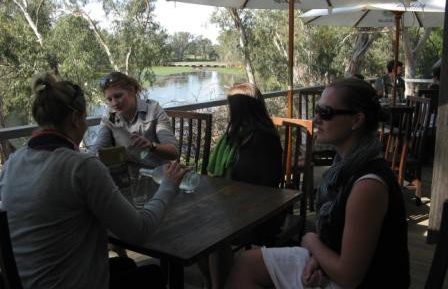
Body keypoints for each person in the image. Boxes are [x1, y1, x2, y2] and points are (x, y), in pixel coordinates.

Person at [0, 73, 189, 289]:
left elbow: (171, 150)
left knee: (125, 264)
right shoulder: (81, 167)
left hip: (24, 282)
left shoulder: (11, 163)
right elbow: (139, 231)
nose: (114, 103)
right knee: (153, 274)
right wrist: (169, 186)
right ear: (75, 119)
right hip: (71, 282)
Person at [226, 78, 410, 289]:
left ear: (356, 120)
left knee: (245, 268)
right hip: (339, 266)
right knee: (245, 263)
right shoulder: (345, 166)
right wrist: (317, 259)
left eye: (326, 112)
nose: (315, 119)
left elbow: (349, 277)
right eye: (317, 110)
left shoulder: (368, 187)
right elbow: (338, 239)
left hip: (366, 281)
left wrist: (311, 241)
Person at [203, 83, 283, 289]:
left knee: (209, 232)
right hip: (234, 205)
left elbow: (267, 187)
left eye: (231, 105)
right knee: (199, 229)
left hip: (260, 213)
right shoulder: (236, 135)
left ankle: (219, 283)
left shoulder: (263, 139)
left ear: (239, 108)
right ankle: (218, 281)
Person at [93, 71, 178, 168]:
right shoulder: (111, 115)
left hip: (157, 174)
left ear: (133, 90)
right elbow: (99, 145)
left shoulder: (153, 110)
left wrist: (151, 146)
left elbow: (173, 152)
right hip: (127, 175)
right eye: (109, 99)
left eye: (118, 96)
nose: (114, 103)